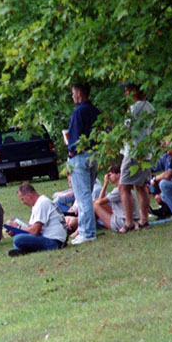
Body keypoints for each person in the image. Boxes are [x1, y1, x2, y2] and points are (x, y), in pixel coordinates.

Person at [117, 83, 155, 231]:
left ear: (135, 91)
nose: (125, 94)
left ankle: (128, 222)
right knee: (140, 186)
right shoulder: (150, 107)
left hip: (133, 152)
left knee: (124, 186)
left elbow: (126, 130)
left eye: (127, 91)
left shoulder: (134, 108)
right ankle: (144, 219)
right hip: (146, 152)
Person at [66, 82, 100, 245]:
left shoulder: (78, 113)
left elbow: (74, 140)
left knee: (82, 195)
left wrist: (71, 153)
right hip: (94, 154)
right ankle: (87, 229)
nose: (72, 96)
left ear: (79, 93)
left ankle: (87, 231)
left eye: (73, 93)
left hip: (80, 157)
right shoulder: (95, 111)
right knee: (89, 192)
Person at [6, 182, 67, 256]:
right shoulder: (37, 204)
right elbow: (30, 228)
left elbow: (35, 231)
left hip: (54, 241)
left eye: (22, 199)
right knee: (18, 237)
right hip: (49, 238)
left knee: (17, 239)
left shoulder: (42, 203)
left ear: (28, 196)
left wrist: (17, 227)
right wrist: (15, 230)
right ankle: (19, 250)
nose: (22, 202)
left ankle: (19, 250)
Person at [93, 165, 138, 233]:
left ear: (118, 175)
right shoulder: (125, 188)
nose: (109, 177)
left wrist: (105, 184)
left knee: (95, 205)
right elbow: (100, 200)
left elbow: (100, 202)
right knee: (95, 201)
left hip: (122, 222)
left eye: (110, 174)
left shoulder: (119, 190)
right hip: (131, 219)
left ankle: (84, 229)